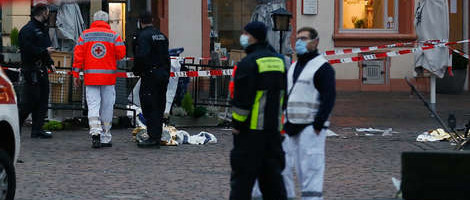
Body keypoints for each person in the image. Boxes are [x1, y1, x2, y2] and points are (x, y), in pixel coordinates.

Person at [229, 21, 287, 200]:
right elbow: (285, 96)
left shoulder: (248, 63)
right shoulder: (279, 61)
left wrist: (237, 124)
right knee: (273, 183)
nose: (243, 37)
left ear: (253, 36)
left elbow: (242, 101)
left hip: (250, 135)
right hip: (273, 133)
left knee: (242, 184)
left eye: (245, 33)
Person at [284, 27, 336, 200]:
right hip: (291, 127)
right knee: (286, 168)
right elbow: (289, 95)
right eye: (298, 38)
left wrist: (318, 124)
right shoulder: (293, 67)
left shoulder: (322, 67)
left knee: (311, 171)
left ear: (315, 42)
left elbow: (328, 98)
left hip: (310, 128)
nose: (299, 42)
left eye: (304, 38)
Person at [72, 11, 126, 148]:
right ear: (107, 21)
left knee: (93, 107)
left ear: (93, 20)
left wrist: (76, 75)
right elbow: (121, 54)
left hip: (91, 78)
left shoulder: (85, 35)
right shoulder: (114, 36)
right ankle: (106, 137)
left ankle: (95, 133)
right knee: (107, 108)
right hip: (108, 79)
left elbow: (78, 57)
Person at [132, 12, 170, 148]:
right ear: (152, 20)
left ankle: (153, 137)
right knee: (159, 105)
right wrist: (166, 73)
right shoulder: (161, 35)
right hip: (162, 74)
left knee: (150, 105)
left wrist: (136, 70)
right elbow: (167, 57)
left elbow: (141, 56)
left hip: (150, 75)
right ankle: (157, 135)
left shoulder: (143, 36)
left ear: (140, 21)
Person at [18, 3, 56, 139]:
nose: (49, 15)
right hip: (31, 69)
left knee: (42, 100)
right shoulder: (28, 30)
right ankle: (16, 127)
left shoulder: (42, 29)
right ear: (42, 13)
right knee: (29, 101)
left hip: (41, 69)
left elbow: (46, 47)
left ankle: (37, 129)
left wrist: (50, 63)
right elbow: (26, 49)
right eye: (47, 12)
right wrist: (43, 51)